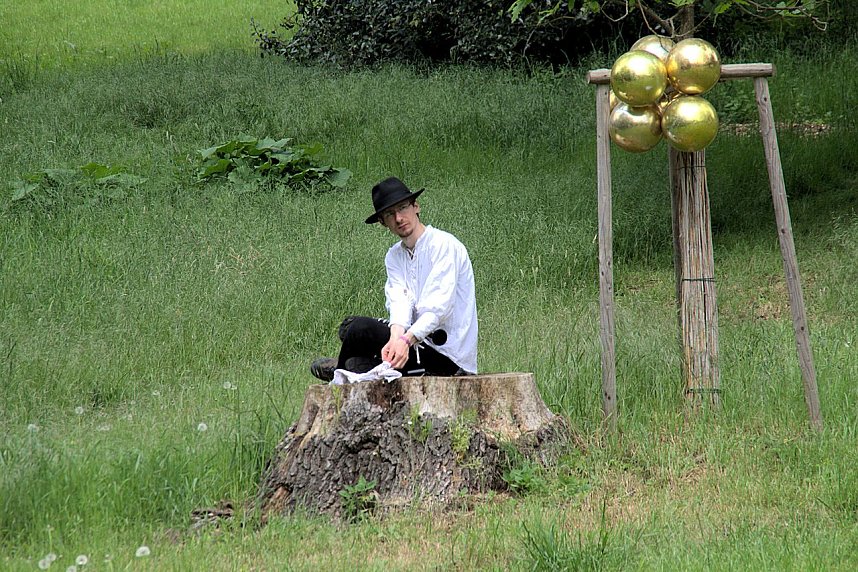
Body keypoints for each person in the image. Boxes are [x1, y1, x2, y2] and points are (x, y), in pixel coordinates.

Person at [310, 177, 478, 381]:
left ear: (416, 206)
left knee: (359, 328)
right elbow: (400, 302)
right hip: (415, 348)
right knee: (351, 332)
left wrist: (405, 340)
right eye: (390, 214)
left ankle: (340, 374)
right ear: (382, 222)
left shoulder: (444, 245)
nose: (399, 218)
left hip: (449, 360)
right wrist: (395, 338)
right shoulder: (394, 256)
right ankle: (353, 370)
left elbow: (436, 312)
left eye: (403, 208)